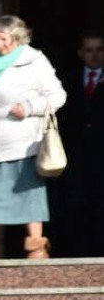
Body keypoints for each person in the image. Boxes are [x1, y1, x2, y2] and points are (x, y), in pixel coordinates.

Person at [0, 15, 67, 261]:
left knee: (30, 198)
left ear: (16, 38)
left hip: (23, 143)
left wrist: (29, 107)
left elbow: (58, 96)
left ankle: (37, 248)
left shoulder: (34, 61)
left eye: (3, 39)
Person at [49, 30, 104, 257]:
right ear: (81, 53)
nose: (95, 55)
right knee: (76, 209)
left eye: (100, 49)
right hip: (76, 159)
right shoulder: (66, 81)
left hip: (102, 158)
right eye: (89, 50)